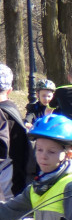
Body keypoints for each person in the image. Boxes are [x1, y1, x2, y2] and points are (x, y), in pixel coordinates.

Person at [0, 63, 33, 199]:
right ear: (10, 90)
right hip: (17, 178)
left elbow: (2, 147)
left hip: (6, 184)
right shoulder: (12, 110)